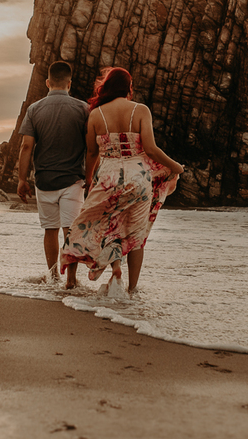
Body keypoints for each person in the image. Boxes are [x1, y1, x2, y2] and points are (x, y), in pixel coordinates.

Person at [60, 67, 184, 295]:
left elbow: (91, 152)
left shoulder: (96, 114)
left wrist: (89, 179)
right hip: (139, 178)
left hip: (108, 178)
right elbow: (151, 149)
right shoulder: (141, 110)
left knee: (103, 224)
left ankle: (110, 269)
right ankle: (132, 289)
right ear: (128, 87)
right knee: (136, 235)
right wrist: (175, 166)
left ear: (106, 87)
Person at [17, 61, 88, 287]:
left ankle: (53, 275)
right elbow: (91, 147)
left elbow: (26, 146)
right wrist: (92, 177)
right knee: (71, 231)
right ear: (69, 83)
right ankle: (71, 279)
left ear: (48, 82)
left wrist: (22, 179)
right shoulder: (84, 109)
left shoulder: (34, 109)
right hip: (73, 180)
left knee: (50, 230)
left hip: (44, 180)